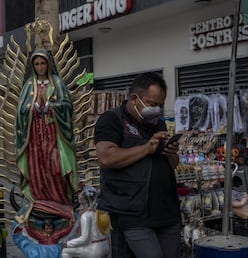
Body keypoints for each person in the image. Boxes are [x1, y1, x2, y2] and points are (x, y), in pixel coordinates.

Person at [94, 72, 182, 258]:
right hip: (133, 213)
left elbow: (172, 165)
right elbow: (107, 157)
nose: (157, 109)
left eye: (160, 105)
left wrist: (172, 154)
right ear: (134, 99)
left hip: (167, 212)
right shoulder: (111, 119)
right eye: (152, 104)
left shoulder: (159, 124)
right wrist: (147, 148)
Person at [12, 48, 78, 249]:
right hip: (34, 138)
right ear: (33, 66)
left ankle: (59, 200)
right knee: (37, 168)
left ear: (49, 64)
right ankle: (38, 200)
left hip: (53, 135)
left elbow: (67, 106)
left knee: (55, 167)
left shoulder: (57, 84)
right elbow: (20, 112)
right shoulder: (28, 86)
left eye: (43, 63)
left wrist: (52, 107)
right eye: (37, 64)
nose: (40, 67)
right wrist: (33, 108)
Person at [62, 186, 110, 258]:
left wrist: (67, 244)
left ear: (85, 199)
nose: (79, 195)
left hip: (94, 248)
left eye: (81, 193)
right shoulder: (100, 213)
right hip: (105, 246)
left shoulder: (86, 215)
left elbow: (84, 238)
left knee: (65, 252)